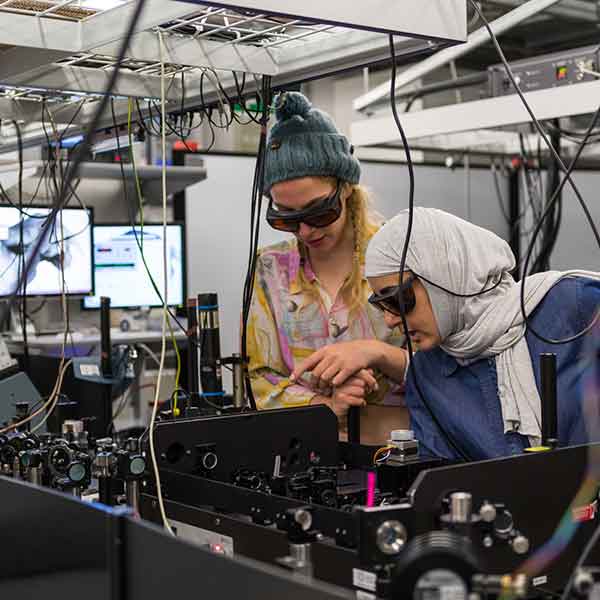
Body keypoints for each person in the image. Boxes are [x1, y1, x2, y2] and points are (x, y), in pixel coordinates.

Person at [291, 207, 600, 460]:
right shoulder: (428, 373)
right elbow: (442, 473)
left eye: (399, 300)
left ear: (443, 275)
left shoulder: (569, 304)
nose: (390, 320)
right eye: (381, 305)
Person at [246, 91, 408, 442]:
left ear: (346, 189)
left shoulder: (401, 254)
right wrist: (321, 404)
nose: (306, 231)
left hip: (397, 450)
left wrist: (377, 355)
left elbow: (446, 367)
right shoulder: (271, 268)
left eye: (319, 212)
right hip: (307, 451)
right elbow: (257, 377)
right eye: (287, 219)